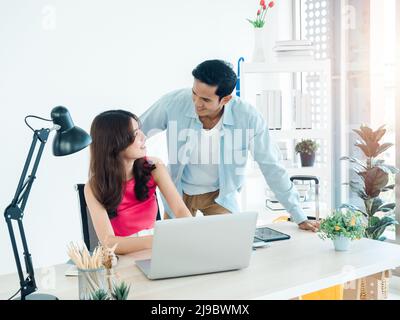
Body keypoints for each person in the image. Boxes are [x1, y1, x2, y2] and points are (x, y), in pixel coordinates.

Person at [140, 59, 320, 232]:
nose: (196, 103)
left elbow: (271, 166)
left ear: (225, 99)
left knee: (230, 248)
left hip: (220, 195)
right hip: (178, 191)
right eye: (194, 93)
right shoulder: (174, 103)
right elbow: (135, 131)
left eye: (206, 99)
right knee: (175, 249)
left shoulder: (248, 117)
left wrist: (298, 214)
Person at [84, 110, 192, 255]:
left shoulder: (154, 168)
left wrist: (192, 235)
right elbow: (108, 242)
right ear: (115, 142)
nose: (144, 137)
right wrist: (158, 240)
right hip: (121, 257)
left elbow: (180, 211)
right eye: (135, 134)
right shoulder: (94, 187)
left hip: (156, 251)